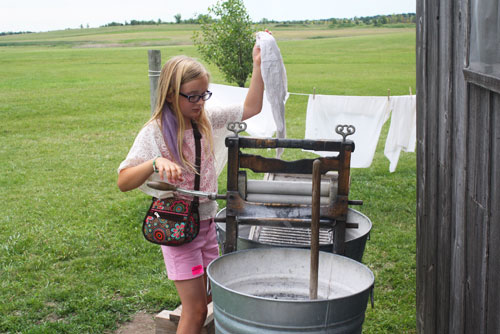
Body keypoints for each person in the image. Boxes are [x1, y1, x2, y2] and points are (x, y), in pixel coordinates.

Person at [117, 42, 264, 333]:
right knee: (195, 311)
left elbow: (252, 107)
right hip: (178, 229)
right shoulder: (156, 131)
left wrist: (258, 64)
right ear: (172, 95)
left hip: (207, 225)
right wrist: (155, 162)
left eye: (203, 95)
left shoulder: (205, 121)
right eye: (192, 96)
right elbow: (123, 181)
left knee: (210, 297)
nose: (199, 103)